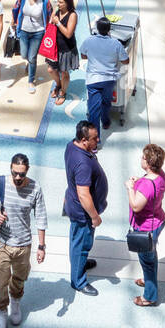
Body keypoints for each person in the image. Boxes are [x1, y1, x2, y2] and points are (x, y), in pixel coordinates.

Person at [0, 153, 48, 328]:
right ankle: (2, 312)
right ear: (11, 169)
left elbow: (41, 217)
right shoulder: (0, 182)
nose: (18, 177)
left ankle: (16, 301)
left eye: (21, 174)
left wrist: (41, 246)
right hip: (2, 243)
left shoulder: (35, 188)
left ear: (27, 170)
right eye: (14, 173)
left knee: (20, 277)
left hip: (23, 244)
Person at [64, 120, 107, 295]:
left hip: (75, 205)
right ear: (83, 140)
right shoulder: (82, 163)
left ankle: (80, 263)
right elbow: (83, 194)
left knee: (80, 242)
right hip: (83, 213)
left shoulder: (71, 146)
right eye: (94, 139)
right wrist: (95, 216)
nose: (98, 140)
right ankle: (78, 281)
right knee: (81, 244)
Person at [126, 143, 165, 307]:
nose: (141, 159)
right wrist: (139, 181)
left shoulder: (146, 186)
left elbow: (136, 206)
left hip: (145, 229)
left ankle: (149, 296)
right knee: (152, 255)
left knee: (147, 262)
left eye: (143, 157)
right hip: (158, 221)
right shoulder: (161, 176)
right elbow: (151, 190)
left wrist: (130, 188)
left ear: (149, 163)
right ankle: (147, 280)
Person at [80, 17, 127, 138]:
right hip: (108, 80)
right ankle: (106, 122)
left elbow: (83, 55)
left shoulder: (89, 41)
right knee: (106, 102)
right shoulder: (116, 43)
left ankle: (95, 140)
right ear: (109, 29)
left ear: (97, 28)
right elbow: (126, 61)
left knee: (94, 111)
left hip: (93, 80)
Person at [12, 0, 52, 94]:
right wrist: (14, 21)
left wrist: (47, 27)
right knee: (24, 55)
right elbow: (16, 8)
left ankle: (31, 80)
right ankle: (29, 65)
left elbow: (49, 13)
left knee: (32, 57)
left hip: (38, 32)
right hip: (24, 30)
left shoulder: (44, 1)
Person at [48, 0, 79, 105]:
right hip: (56, 48)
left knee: (64, 72)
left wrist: (58, 23)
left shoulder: (72, 15)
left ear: (67, 3)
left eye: (61, 2)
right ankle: (58, 84)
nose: (58, 4)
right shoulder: (57, 12)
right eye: (58, 1)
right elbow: (51, 26)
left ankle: (63, 92)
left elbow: (68, 34)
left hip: (67, 49)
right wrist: (52, 21)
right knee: (51, 70)